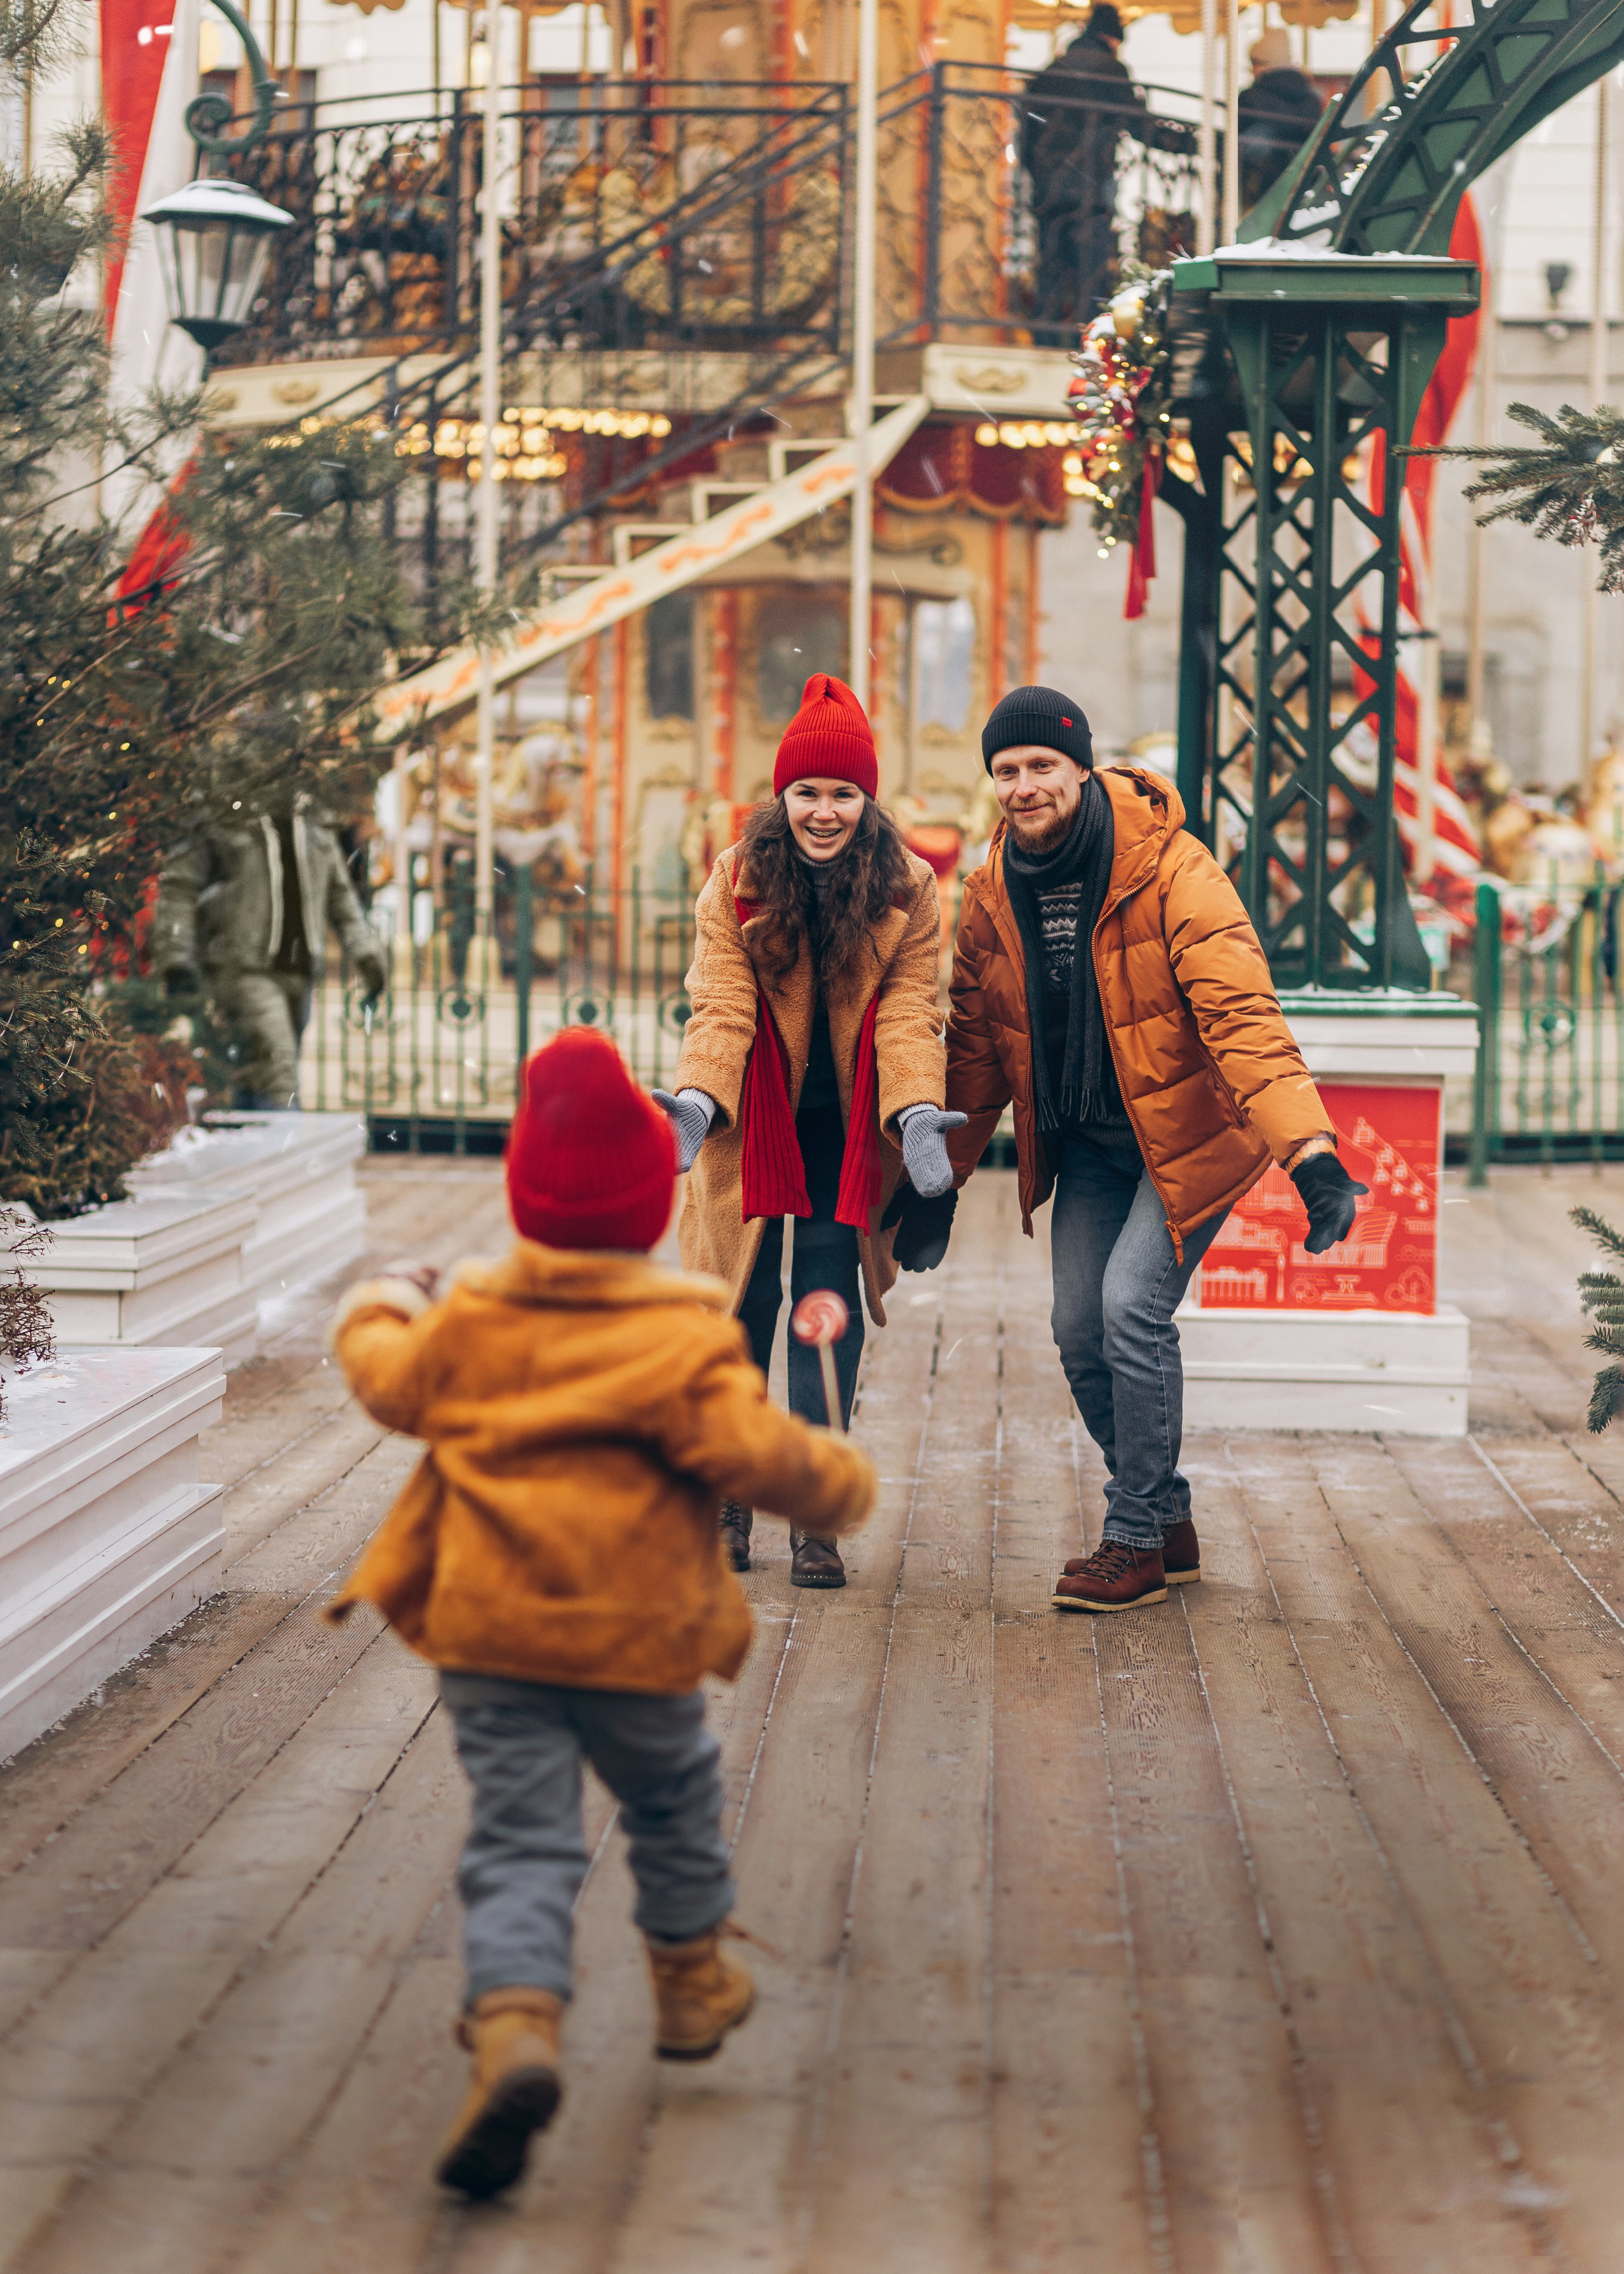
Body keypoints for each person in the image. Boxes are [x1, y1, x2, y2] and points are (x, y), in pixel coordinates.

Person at [326, 1028, 874, 2200]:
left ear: (526, 1200)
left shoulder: (474, 1319)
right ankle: (688, 1983)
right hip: (637, 1641)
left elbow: (386, 1376)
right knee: (673, 1800)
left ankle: (518, 2023)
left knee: (521, 1840)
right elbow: (762, 1456)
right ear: (646, 1210)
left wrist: (379, 1298)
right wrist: (843, 1482)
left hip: (491, 1641)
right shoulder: (682, 1333)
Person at [934, 687, 1366, 1615]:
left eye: (1041, 766)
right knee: (1077, 1331)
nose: (1023, 787)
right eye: (1005, 772)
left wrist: (1311, 1151)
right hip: (1090, 1141)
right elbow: (974, 1045)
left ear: (1082, 768)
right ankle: (1165, 1512)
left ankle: (1131, 1538)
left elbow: (1241, 1014)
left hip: (1185, 1138)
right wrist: (941, 1179)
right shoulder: (988, 894)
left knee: (1131, 1307)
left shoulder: (1172, 870)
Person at [655, 673, 958, 1589]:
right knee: (737, 1306)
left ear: (869, 801)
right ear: (779, 798)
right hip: (752, 1117)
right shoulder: (737, 880)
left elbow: (912, 1008)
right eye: (806, 793)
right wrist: (699, 1099)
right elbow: (722, 1003)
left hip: (846, 1128)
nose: (823, 811)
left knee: (824, 1307)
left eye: (841, 793)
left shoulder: (908, 887)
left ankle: (812, 1510)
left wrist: (913, 1111)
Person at [152, 789, 386, 1110]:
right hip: (243, 967)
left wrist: (369, 957)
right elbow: (180, 887)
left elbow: (341, 901)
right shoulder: (224, 819)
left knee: (256, 1073)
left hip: (300, 972)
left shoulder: (315, 827)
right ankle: (287, 1152)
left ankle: (244, 1143)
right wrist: (176, 958)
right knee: (280, 1069)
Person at [1021, 4, 1190, 334]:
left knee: (1051, 266)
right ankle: (1090, 337)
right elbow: (1140, 127)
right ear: (1113, 38)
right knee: (1093, 269)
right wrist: (1187, 145)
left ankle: (1044, 335)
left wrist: (1038, 173)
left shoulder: (1051, 72)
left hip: (1048, 190)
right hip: (1090, 187)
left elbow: (1027, 130)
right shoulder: (1110, 70)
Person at [1236, 27, 1324, 211]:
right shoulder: (1312, 99)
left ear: (1261, 66)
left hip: (1263, 188)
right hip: (1306, 181)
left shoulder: (1251, 98)